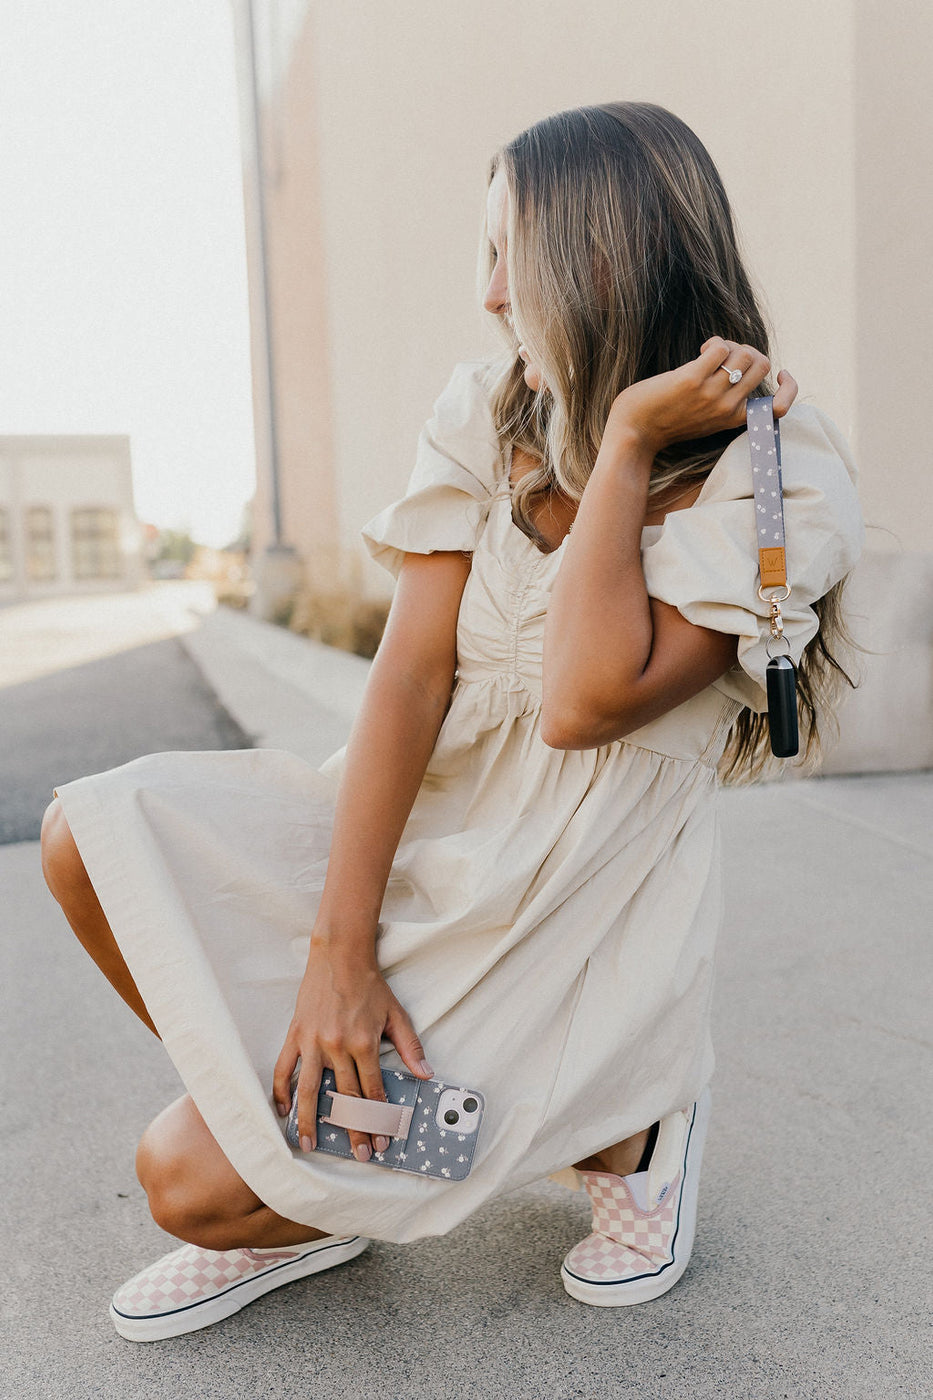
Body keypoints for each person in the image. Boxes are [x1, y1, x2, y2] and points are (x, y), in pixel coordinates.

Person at [41, 101, 863, 1341]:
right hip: (424, 836)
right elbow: (409, 679)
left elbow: (587, 701)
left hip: (560, 908)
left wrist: (632, 434)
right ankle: (336, 1153)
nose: (486, 297)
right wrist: (339, 952)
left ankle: (623, 1127)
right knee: (81, 834)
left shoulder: (780, 474)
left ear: (593, 261)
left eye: (504, 256)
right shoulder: (487, 408)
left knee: (185, 1180)